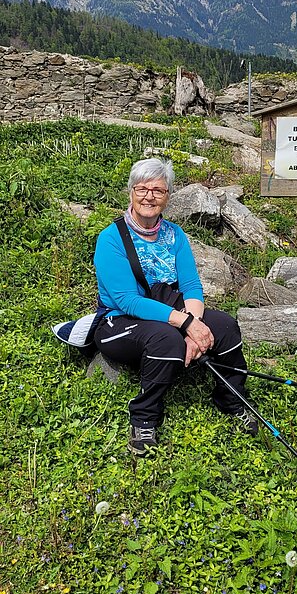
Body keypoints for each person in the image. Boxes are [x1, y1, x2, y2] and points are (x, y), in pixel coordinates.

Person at [93, 157, 257, 455]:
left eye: (158, 190)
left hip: (169, 310)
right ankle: (145, 418)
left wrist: (193, 325)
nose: (149, 197)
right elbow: (126, 300)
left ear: (168, 196)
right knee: (165, 339)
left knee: (225, 327)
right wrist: (184, 325)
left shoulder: (174, 235)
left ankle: (231, 397)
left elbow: (192, 287)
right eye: (142, 189)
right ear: (131, 192)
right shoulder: (111, 239)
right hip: (120, 321)